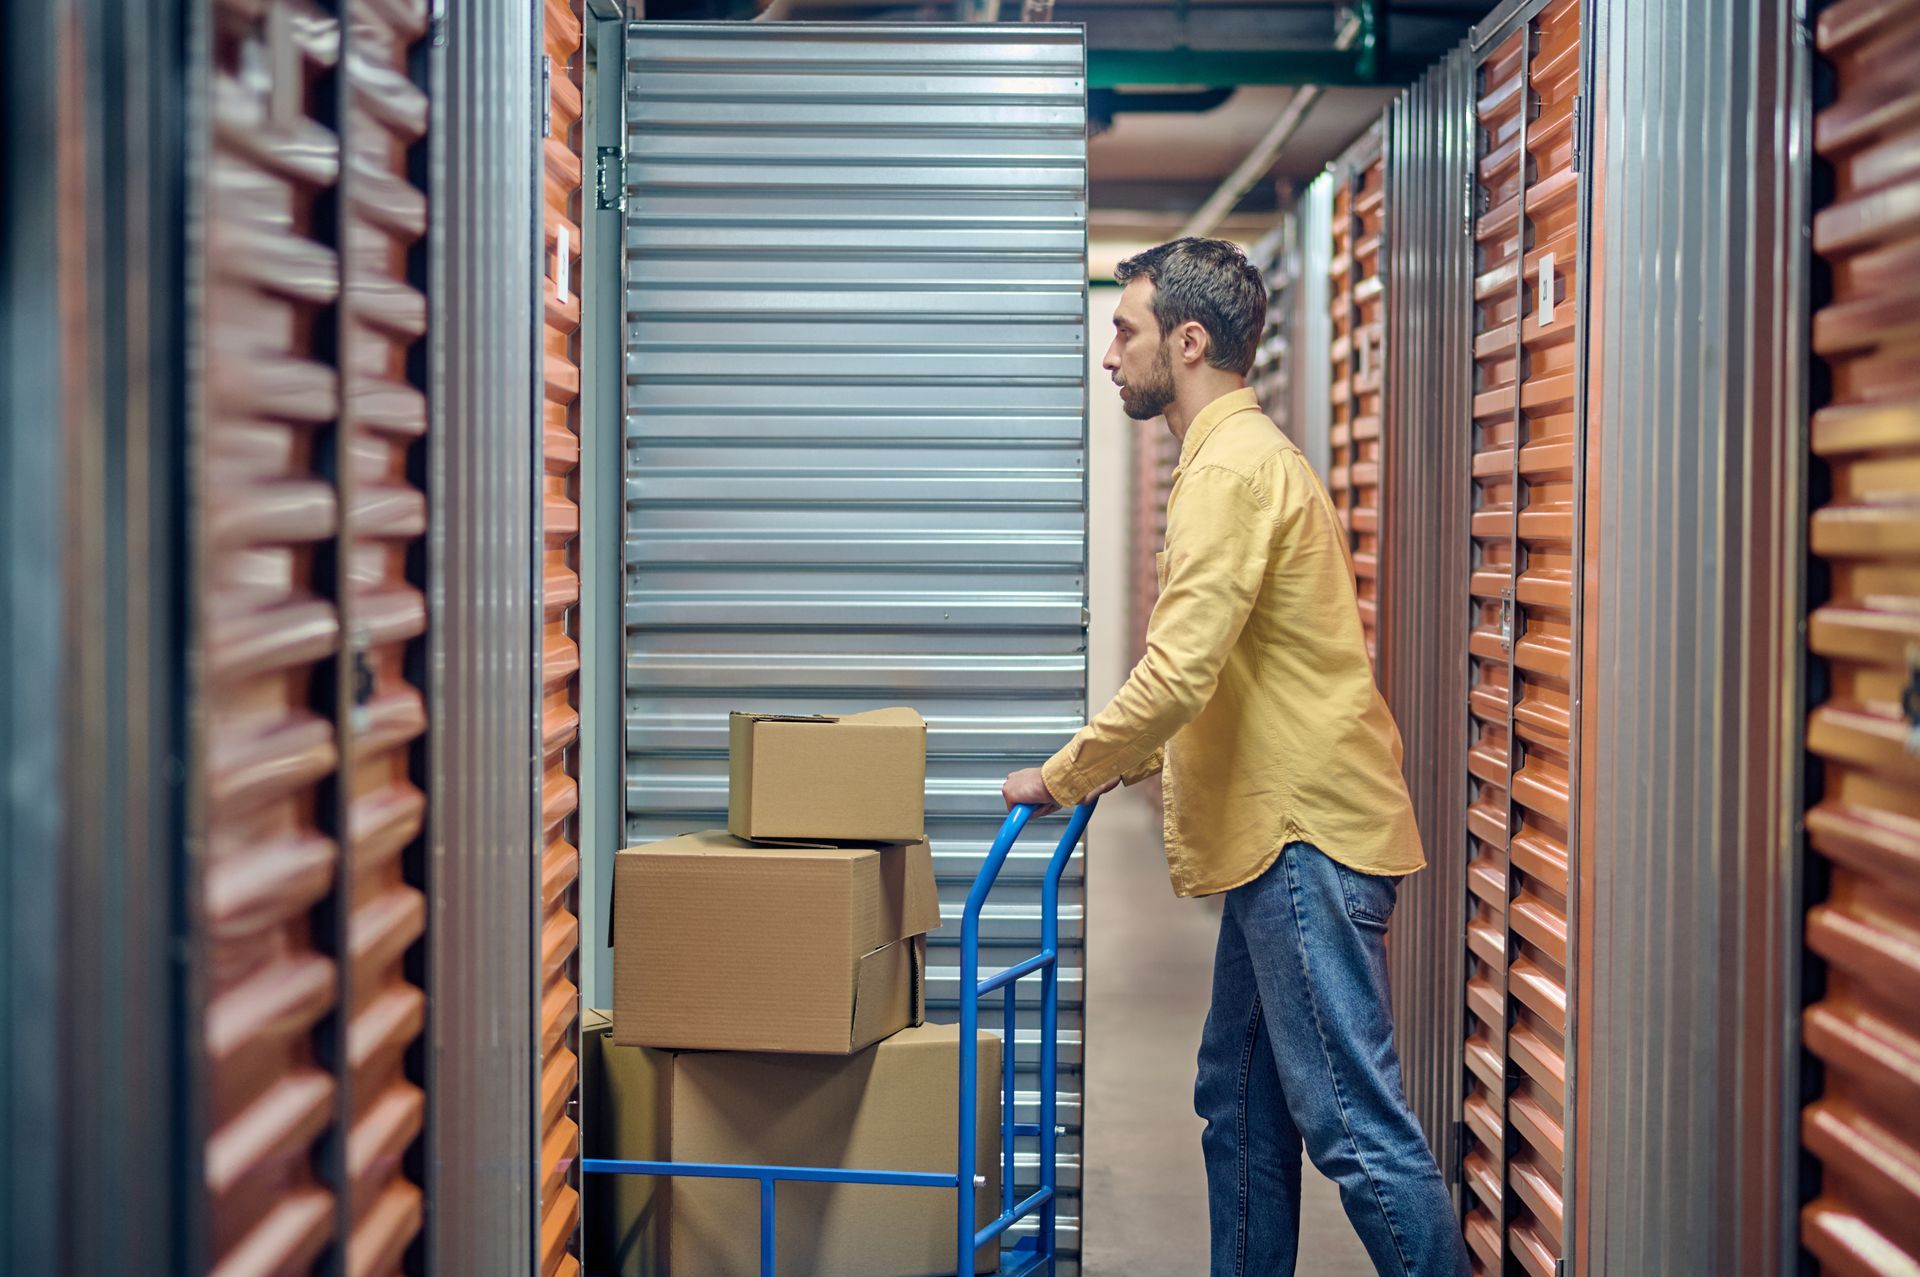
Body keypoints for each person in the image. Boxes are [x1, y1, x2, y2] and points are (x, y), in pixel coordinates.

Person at [1002, 238, 1469, 1277]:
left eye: (1125, 329)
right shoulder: (1239, 461)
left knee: (1352, 1123)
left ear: (1190, 339)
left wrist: (1065, 770)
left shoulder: (1231, 471)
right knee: (1240, 1101)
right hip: (1278, 842)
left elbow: (1178, 674)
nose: (1109, 352)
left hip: (1303, 838)